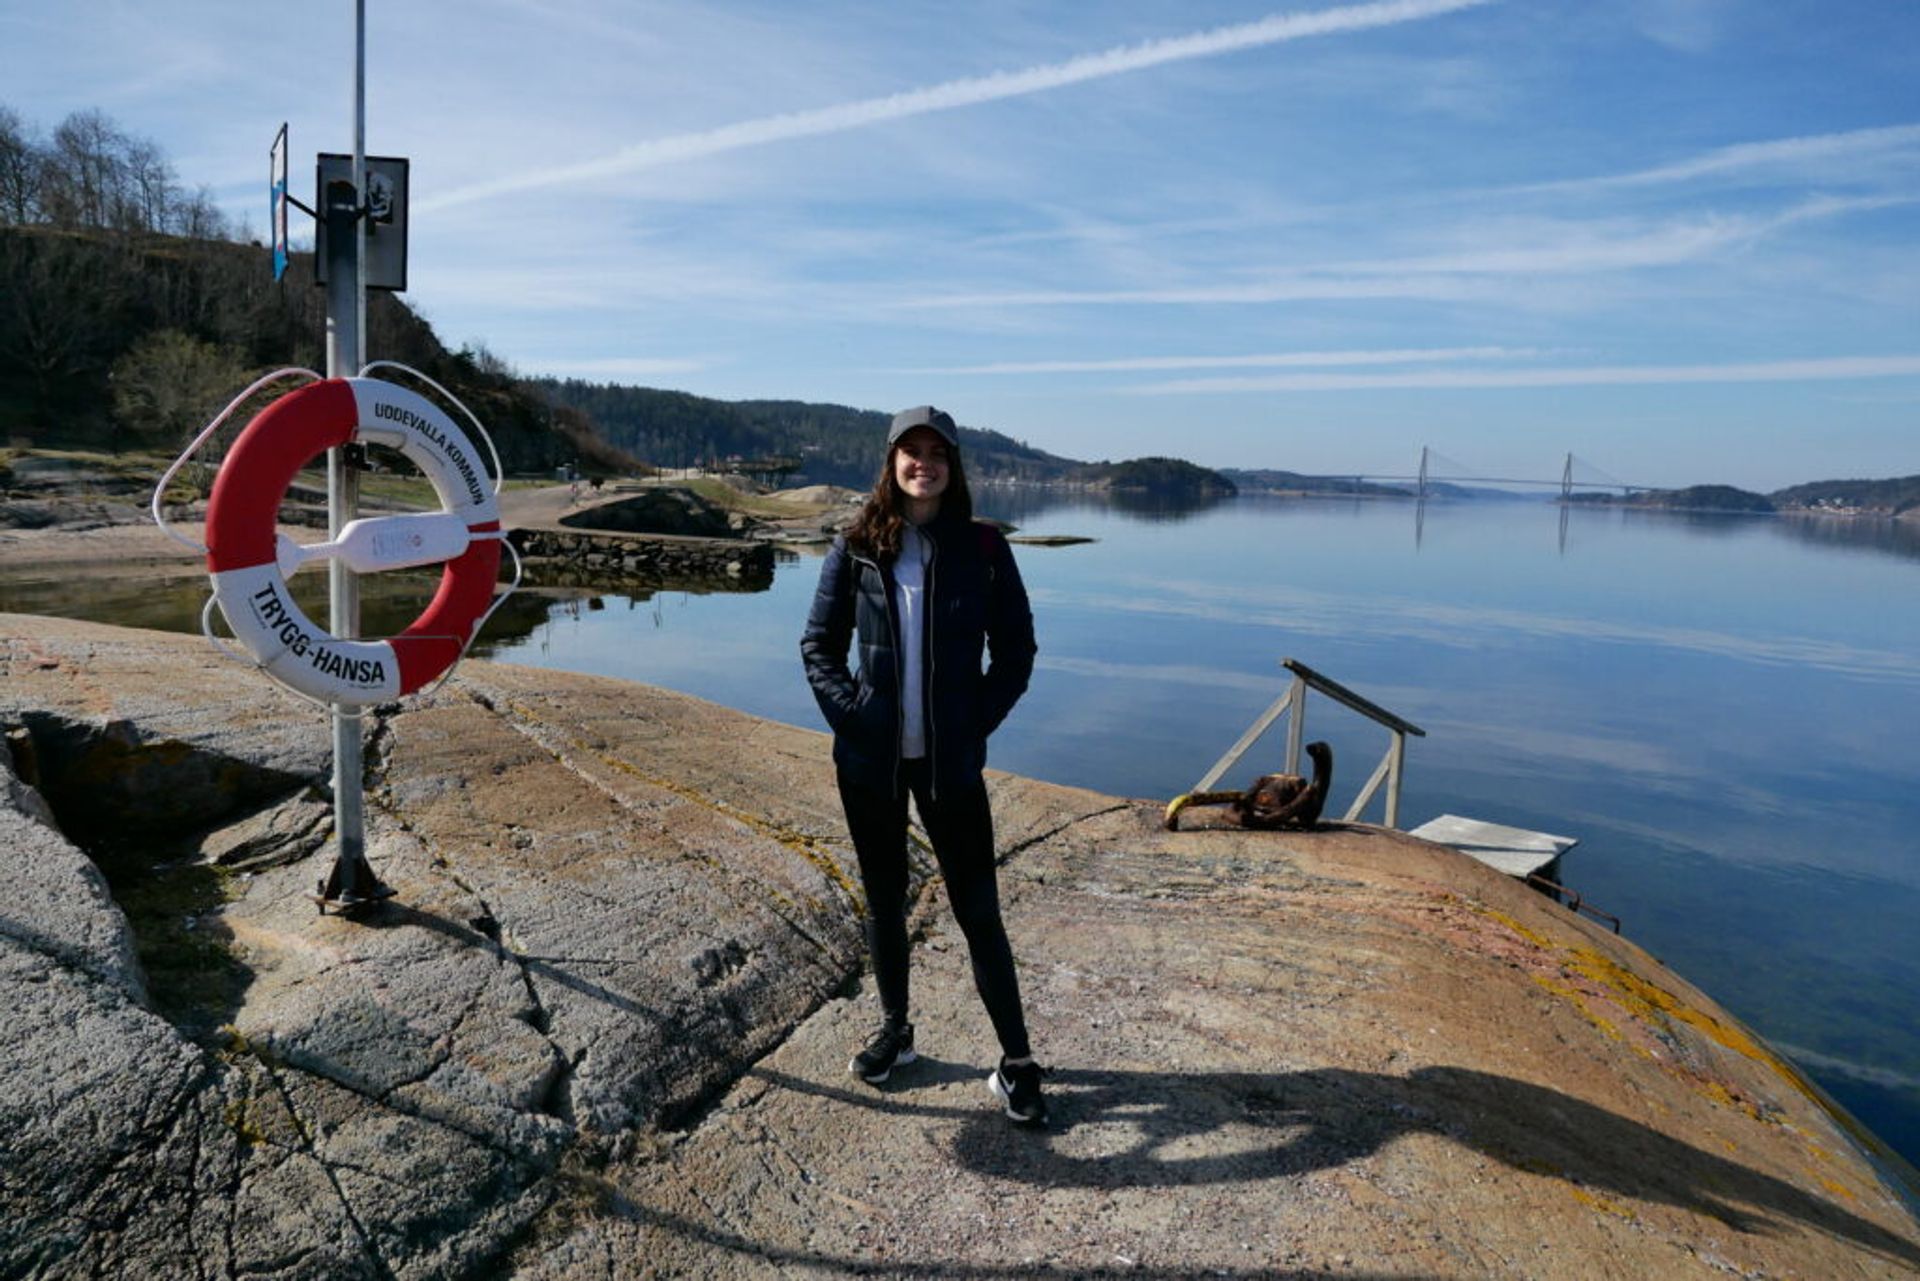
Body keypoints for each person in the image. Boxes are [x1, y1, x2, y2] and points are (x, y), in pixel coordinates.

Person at [800, 405, 1048, 1124]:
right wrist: (854, 714)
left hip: (952, 764)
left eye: (937, 452)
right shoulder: (856, 544)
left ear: (953, 466)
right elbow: (818, 644)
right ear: (891, 462)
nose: (923, 463)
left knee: (978, 910)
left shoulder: (984, 547)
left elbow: (1017, 652)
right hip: (869, 762)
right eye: (911, 451)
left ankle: (1017, 1060)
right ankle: (896, 1030)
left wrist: (973, 723)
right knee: (883, 899)